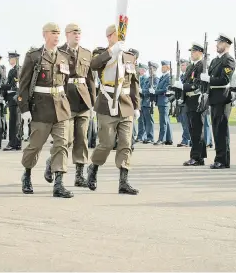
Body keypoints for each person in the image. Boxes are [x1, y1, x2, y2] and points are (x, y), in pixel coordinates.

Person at [19, 22, 73, 198]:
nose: (57, 36)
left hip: (61, 109)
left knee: (61, 145)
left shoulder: (64, 57)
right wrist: (24, 108)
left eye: (58, 33)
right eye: (53, 33)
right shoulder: (34, 56)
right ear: (45, 35)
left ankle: (59, 184)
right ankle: (26, 175)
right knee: (35, 146)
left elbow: (64, 84)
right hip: (40, 109)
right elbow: (24, 85)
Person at [86, 24, 140, 195]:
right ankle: (93, 168)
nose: (120, 38)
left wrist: (136, 106)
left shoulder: (129, 57)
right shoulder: (102, 54)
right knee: (107, 144)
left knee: (126, 144)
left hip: (125, 106)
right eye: (117, 35)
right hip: (107, 105)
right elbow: (93, 65)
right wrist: (112, 52)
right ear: (109, 37)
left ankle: (123, 182)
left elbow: (133, 85)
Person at [43, 23, 96, 187]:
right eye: (73, 33)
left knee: (82, 138)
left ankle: (79, 175)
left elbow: (90, 81)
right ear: (66, 35)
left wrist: (92, 103)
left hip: (83, 101)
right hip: (66, 100)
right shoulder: (60, 53)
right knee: (66, 140)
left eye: (79, 33)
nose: (77, 35)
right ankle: (52, 162)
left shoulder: (87, 53)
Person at [199, 33, 235, 169]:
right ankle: (219, 158)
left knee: (221, 130)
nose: (217, 45)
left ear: (226, 44)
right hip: (214, 98)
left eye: (220, 43)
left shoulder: (229, 60)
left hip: (223, 98)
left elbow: (225, 79)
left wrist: (209, 79)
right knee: (216, 130)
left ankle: (223, 160)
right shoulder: (214, 61)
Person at [174, 42, 206, 166]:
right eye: (191, 52)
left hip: (197, 101)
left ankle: (196, 157)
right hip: (189, 101)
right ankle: (199, 157)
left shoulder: (201, 65)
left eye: (194, 52)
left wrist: (184, 86)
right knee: (193, 130)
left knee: (197, 130)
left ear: (200, 53)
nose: (191, 54)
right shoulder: (191, 66)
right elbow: (186, 81)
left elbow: (197, 84)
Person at [2, 51, 22, 151]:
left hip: (14, 98)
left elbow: (14, 85)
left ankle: (13, 143)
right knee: (15, 121)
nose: (9, 60)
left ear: (15, 59)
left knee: (15, 122)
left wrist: (2, 86)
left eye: (10, 58)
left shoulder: (17, 70)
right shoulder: (14, 70)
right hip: (13, 98)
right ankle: (16, 143)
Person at [151, 60, 173, 145]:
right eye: (162, 67)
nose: (162, 68)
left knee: (163, 121)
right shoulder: (162, 77)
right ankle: (169, 139)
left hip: (164, 101)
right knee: (165, 121)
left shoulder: (169, 77)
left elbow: (166, 89)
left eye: (164, 67)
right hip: (161, 101)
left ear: (168, 68)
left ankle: (162, 139)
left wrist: (155, 91)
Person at [176, 59, 191, 147]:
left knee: (187, 122)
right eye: (181, 65)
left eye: (183, 65)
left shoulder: (188, 76)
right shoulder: (180, 77)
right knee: (182, 122)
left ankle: (188, 140)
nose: (182, 67)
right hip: (180, 101)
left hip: (186, 101)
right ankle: (185, 139)